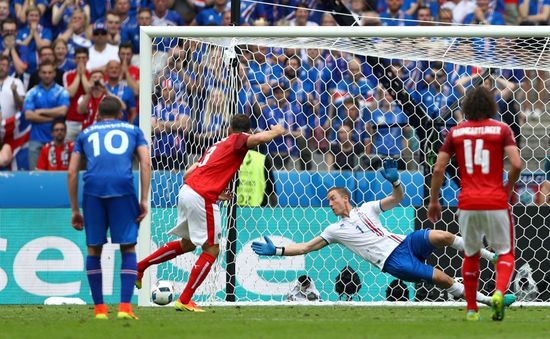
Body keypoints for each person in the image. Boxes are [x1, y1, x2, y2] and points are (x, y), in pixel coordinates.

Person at [252, 160, 516, 310]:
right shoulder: (334, 230)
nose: (330, 203)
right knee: (443, 279)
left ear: (346, 198)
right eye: (328, 200)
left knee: (444, 235)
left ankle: (491, 256)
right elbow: (306, 247)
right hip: (393, 262)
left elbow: (397, 198)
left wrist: (396, 181)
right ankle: (491, 301)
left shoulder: (367, 208)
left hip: (404, 242)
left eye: (332, 199)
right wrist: (277, 251)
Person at [135, 114, 285, 312]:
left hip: (188, 191)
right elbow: (258, 139)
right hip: (201, 197)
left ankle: (141, 266)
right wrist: (277, 131)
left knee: (187, 244)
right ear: (245, 131)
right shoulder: (238, 139)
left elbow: (189, 172)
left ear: (229, 128)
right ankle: (185, 299)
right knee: (212, 249)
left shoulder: (217, 145)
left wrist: (215, 188)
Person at [428, 86, 522, 321]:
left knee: (471, 254)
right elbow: (517, 164)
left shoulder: (456, 132)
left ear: (466, 106)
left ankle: (471, 308)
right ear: (492, 106)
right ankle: (499, 293)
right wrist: (508, 188)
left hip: (468, 202)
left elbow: (439, 168)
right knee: (505, 253)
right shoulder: (502, 129)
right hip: (495, 201)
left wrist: (434, 200)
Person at [67, 96, 151, 320]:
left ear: (97, 115)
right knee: (128, 247)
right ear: (121, 114)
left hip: (93, 190)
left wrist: (75, 209)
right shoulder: (133, 130)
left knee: (94, 249)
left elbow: (72, 172)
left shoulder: (86, 133)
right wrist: (144, 199)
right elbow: (145, 162)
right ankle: (125, 307)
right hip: (123, 189)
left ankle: (100, 311)